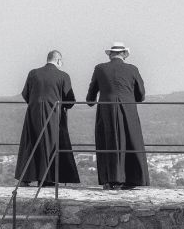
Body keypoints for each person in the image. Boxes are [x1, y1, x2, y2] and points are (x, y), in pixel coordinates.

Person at [86, 42, 149, 190]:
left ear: (110, 54)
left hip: (107, 110)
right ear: (124, 54)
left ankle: (112, 179)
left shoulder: (100, 68)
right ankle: (132, 179)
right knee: (131, 141)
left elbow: (91, 95)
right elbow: (141, 95)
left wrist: (91, 101)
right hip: (129, 110)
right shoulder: (132, 69)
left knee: (110, 143)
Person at [14, 50, 80, 186]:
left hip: (33, 114)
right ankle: (48, 179)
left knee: (31, 144)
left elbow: (25, 94)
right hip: (54, 115)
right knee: (51, 144)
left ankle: (26, 178)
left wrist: (36, 106)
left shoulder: (33, 73)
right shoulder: (63, 76)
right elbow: (70, 101)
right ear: (58, 61)